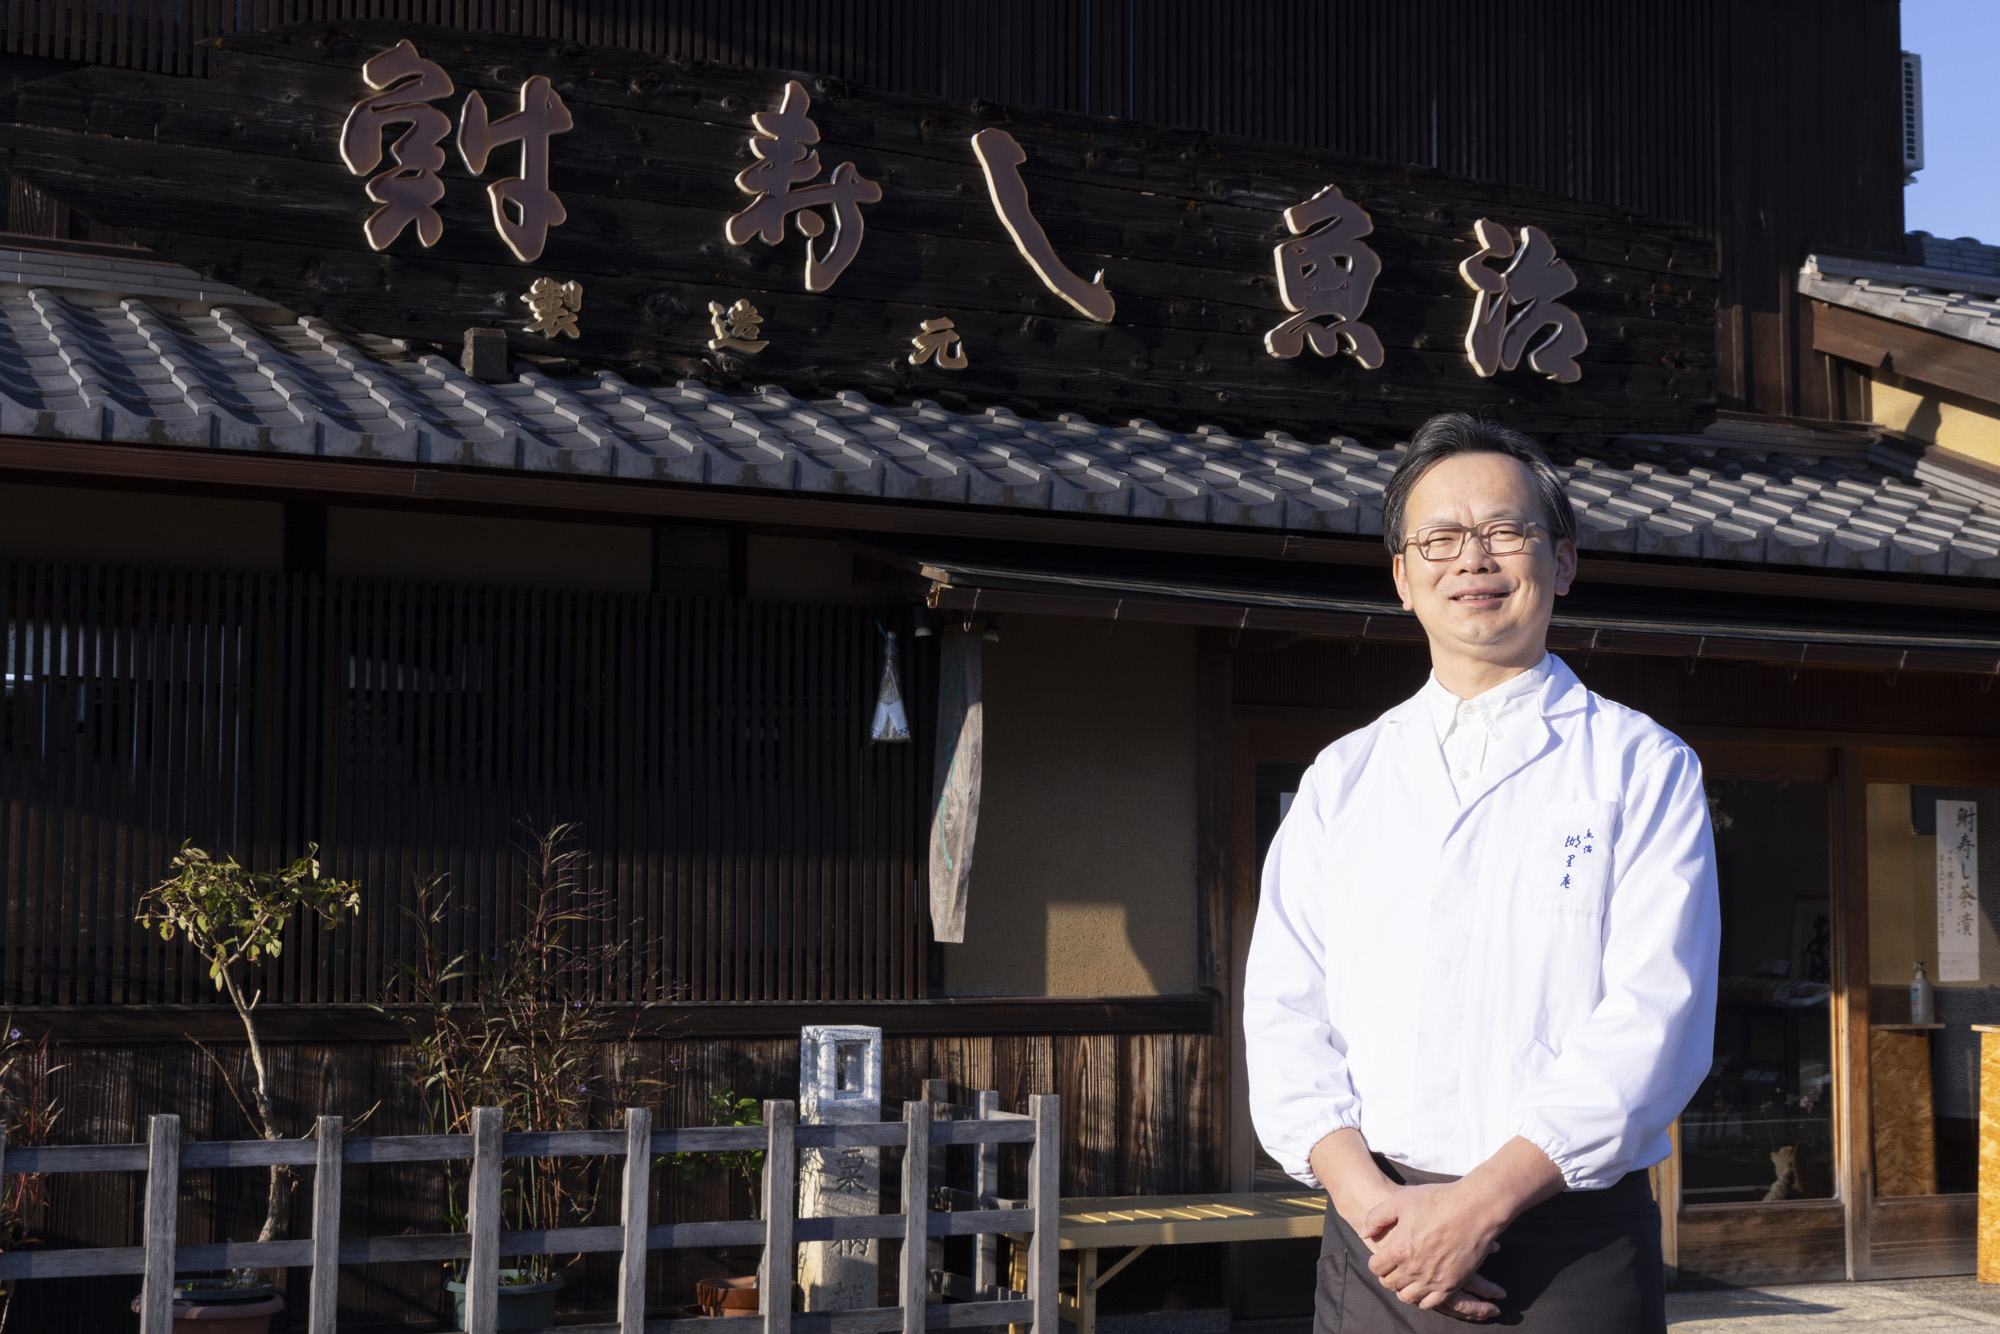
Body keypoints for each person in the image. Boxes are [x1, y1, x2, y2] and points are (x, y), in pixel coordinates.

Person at [1242, 413, 1719, 1331]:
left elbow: (1658, 1018)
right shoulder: (1343, 776)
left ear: (1563, 562)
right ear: (1402, 578)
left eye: (1506, 532)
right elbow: (1284, 1010)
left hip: (1570, 1243)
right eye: (1441, 539)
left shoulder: (1642, 765)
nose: (1474, 560)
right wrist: (1379, 1209)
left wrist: (1477, 1207)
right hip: (1374, 1233)